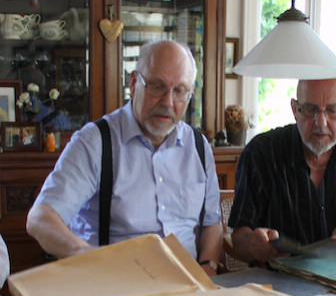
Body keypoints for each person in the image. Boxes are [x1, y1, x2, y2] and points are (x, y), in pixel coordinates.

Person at [26, 40, 222, 275]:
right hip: (113, 287)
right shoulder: (95, 142)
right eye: (157, 86)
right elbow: (40, 218)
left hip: (187, 286)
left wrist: (207, 267)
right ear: (133, 83)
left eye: (180, 91)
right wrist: (87, 257)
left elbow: (211, 222)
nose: (168, 102)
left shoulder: (198, 147)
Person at [228, 77, 336, 264]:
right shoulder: (261, 152)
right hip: (283, 284)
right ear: (295, 110)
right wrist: (254, 244)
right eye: (310, 109)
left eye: (332, 110)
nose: (321, 122)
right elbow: (239, 237)